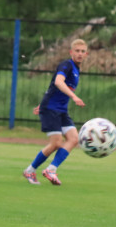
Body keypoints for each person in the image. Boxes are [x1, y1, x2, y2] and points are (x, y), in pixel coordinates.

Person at [23, 38, 88, 186]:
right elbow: (58, 82)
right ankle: (30, 170)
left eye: (82, 51)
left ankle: (51, 169)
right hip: (51, 109)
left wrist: (42, 103)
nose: (79, 54)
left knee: (73, 139)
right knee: (56, 143)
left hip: (60, 110)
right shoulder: (67, 65)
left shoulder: (77, 69)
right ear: (71, 52)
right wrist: (74, 96)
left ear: (86, 54)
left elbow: (52, 87)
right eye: (77, 51)